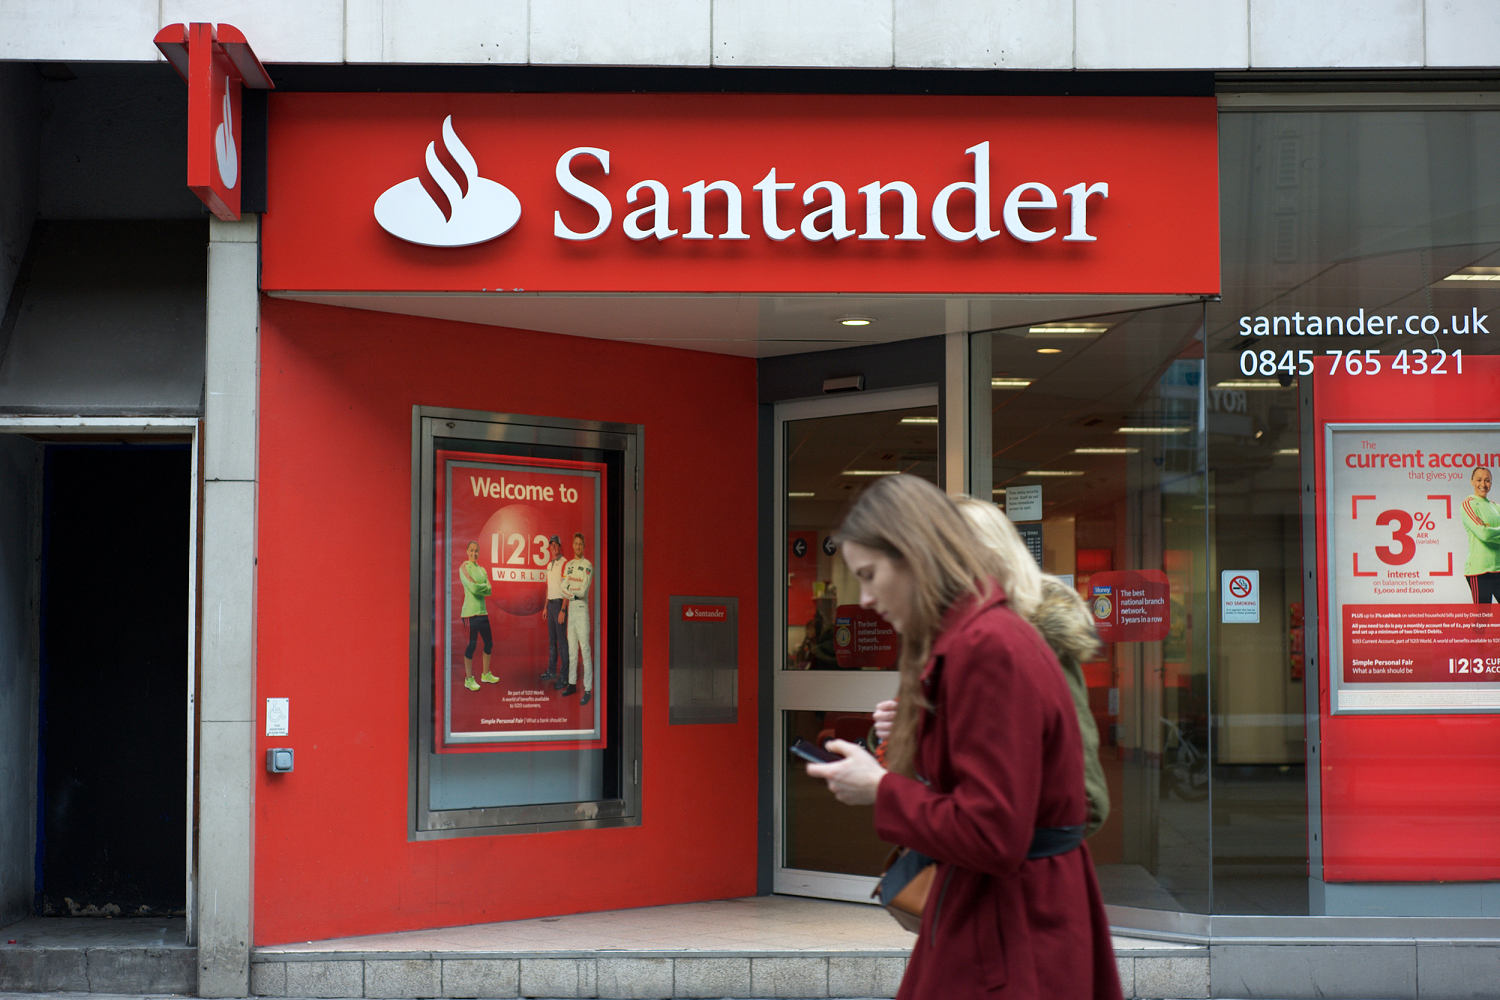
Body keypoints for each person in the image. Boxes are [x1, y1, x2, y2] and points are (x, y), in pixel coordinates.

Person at [804, 475, 1120, 1000]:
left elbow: (992, 833)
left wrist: (880, 789)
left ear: (913, 557)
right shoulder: (984, 637)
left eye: (869, 574)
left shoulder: (986, 647)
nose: (864, 598)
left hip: (1008, 926)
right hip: (1012, 914)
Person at [872, 496, 1110, 836]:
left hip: (1016, 878)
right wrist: (909, 730)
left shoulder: (1033, 643)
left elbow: (1087, 801)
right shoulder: (952, 638)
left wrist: (989, 835)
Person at [560, 531, 594, 706]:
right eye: (576, 543)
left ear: (584, 546)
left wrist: (570, 592)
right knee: (572, 650)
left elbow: (582, 591)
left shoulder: (587, 565)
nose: (578, 546)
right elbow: (562, 586)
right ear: (573, 545)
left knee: (585, 650)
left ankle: (587, 688)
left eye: (581, 544)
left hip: (581, 609)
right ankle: (572, 683)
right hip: (571, 611)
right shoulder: (569, 565)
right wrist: (570, 592)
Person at [458, 540, 498, 691]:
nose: (474, 553)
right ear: (467, 551)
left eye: (476, 551)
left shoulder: (482, 570)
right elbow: (474, 589)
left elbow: (490, 589)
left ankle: (485, 674)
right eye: (471, 550)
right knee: (472, 645)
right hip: (470, 613)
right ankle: (468, 679)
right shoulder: (464, 568)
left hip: (483, 612)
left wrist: (480, 587)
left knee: (489, 644)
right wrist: (482, 587)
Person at [1462, 466, 1500, 603]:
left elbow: (1488, 534)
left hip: (1498, 569)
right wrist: (1488, 532)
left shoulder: (1496, 507)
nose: (1483, 484)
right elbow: (1484, 534)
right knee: (1482, 618)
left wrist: (1491, 532)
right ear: (1472, 481)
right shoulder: (1469, 504)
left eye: (1487, 480)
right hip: (1479, 571)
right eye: (1479, 480)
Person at [539, 535, 568, 683]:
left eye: (556, 545)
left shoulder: (565, 564)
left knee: (562, 641)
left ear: (560, 547)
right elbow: (548, 587)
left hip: (559, 605)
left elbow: (568, 589)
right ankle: (551, 671)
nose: (553, 547)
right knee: (552, 641)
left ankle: (564, 676)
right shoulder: (549, 565)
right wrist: (545, 607)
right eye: (552, 545)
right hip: (550, 605)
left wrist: (563, 610)